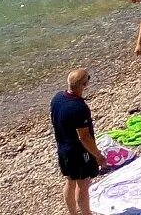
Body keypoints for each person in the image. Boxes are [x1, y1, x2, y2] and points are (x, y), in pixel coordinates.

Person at [52, 68, 103, 215]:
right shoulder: (79, 108)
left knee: (70, 181)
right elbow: (84, 137)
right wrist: (97, 155)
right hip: (78, 153)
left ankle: (73, 213)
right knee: (83, 184)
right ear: (84, 85)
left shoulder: (57, 98)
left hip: (63, 148)